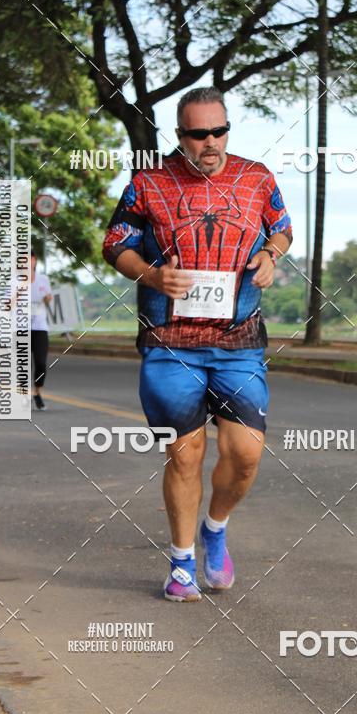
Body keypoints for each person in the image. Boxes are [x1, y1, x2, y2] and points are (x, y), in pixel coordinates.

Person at [103, 87, 293, 601]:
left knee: (246, 454)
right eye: (198, 133)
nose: (210, 142)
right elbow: (114, 242)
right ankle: (182, 561)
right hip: (170, 343)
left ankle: (216, 527)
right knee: (185, 456)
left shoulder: (257, 178)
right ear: (180, 135)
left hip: (240, 340)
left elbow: (281, 229)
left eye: (219, 130)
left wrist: (272, 256)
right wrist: (149, 275)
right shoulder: (148, 184)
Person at [30, 253, 52, 411]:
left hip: (40, 326)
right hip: (20, 327)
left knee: (40, 363)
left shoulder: (43, 279)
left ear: (35, 261)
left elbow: (48, 298)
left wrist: (47, 298)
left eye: (30, 259)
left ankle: (37, 391)